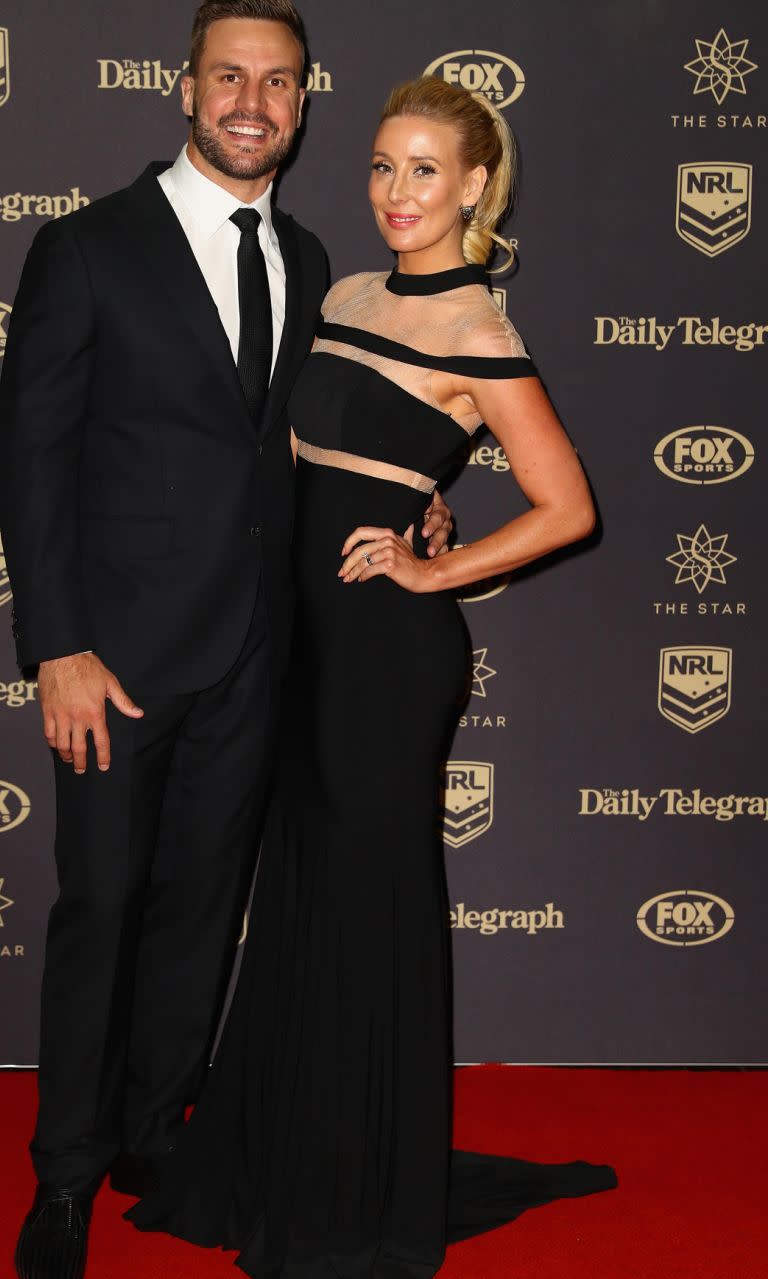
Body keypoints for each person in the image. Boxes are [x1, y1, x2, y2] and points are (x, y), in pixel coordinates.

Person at [128, 76, 617, 1277]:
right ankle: (288, 1146)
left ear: (474, 188)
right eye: (384, 166)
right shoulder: (344, 290)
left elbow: (568, 508)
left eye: (425, 171)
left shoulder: (481, 333)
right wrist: (425, 497)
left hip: (384, 662)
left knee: (364, 899)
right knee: (297, 892)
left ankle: (356, 1182)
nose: (398, 192)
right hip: (293, 638)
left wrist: (425, 564)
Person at [0, 5, 451, 1276]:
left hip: (266, 653)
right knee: (103, 909)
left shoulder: (314, 263)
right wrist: (57, 646)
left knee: (204, 906)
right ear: (185, 90)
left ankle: (153, 1128)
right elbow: (30, 463)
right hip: (118, 661)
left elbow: (320, 442)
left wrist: (415, 501)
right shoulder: (87, 248)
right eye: (230, 76)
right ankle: (65, 1176)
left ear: (304, 104)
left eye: (280, 82)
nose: (254, 101)